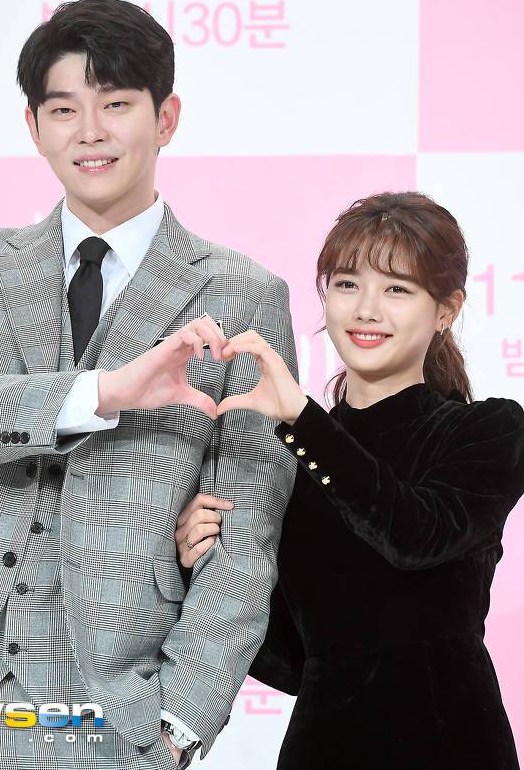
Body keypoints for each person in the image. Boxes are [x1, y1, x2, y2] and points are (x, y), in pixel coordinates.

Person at [0, 1, 298, 768]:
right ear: (35, 128)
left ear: (166, 119)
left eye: (117, 105)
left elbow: (245, 535)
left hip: (118, 712)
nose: (90, 132)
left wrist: (179, 727)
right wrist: (100, 392)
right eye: (64, 109)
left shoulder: (243, 295)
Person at [175, 191, 524, 769]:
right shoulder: (293, 458)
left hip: (452, 744)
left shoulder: (488, 430)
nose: (366, 309)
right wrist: (202, 568)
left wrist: (300, 419)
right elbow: (297, 661)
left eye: (397, 289)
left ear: (447, 309)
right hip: (325, 747)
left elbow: (416, 536)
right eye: (346, 284)